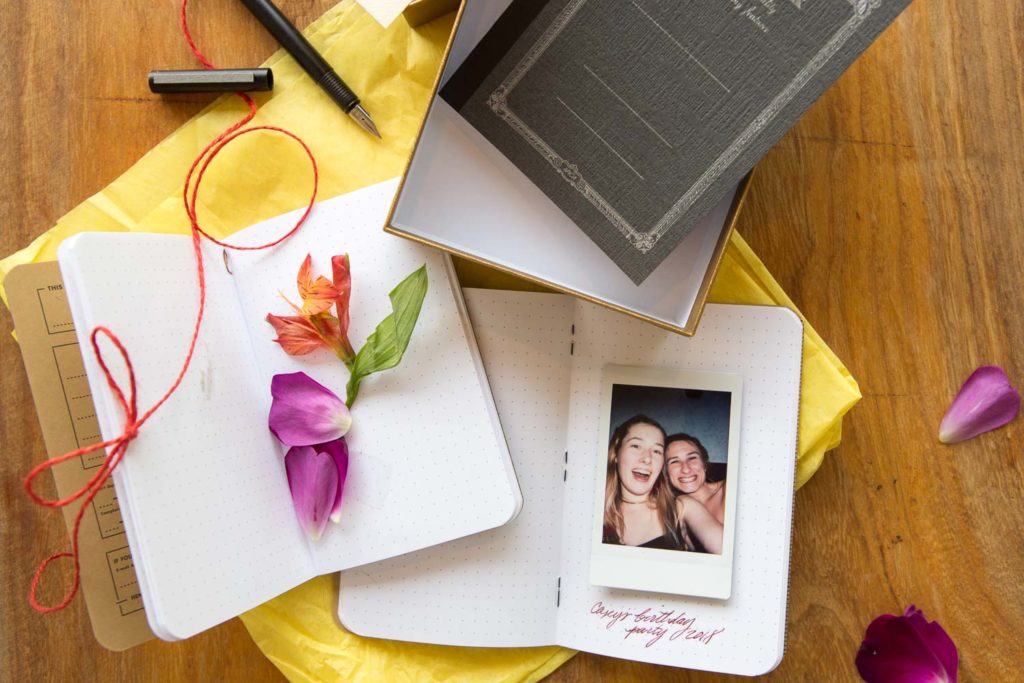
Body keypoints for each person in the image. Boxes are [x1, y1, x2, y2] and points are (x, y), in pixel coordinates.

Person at [603, 416, 722, 554]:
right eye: (636, 445)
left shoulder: (682, 508)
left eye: (657, 451)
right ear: (616, 454)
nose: (647, 458)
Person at [665, 433, 726, 526]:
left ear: (704, 464)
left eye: (692, 458)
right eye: (674, 461)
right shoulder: (674, 513)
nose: (686, 469)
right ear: (666, 473)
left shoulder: (730, 489)